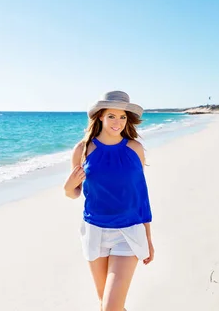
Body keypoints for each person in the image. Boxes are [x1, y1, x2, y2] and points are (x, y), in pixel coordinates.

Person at [63, 90, 154, 311]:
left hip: (129, 233)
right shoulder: (83, 149)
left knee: (110, 307)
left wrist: (148, 239)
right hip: (94, 232)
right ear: (100, 116)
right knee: (105, 303)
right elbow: (72, 192)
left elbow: (141, 195)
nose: (118, 122)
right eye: (112, 116)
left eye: (122, 117)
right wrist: (68, 184)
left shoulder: (135, 149)